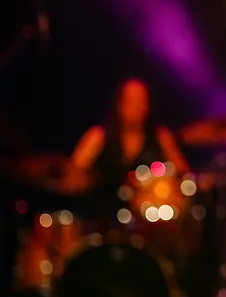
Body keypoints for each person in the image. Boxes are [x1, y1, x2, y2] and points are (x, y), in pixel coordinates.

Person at [62, 77, 190, 226]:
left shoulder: (161, 138)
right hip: (103, 223)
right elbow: (71, 178)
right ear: (119, 104)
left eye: (142, 101)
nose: (136, 107)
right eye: (131, 101)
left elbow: (184, 177)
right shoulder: (98, 137)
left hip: (151, 225)